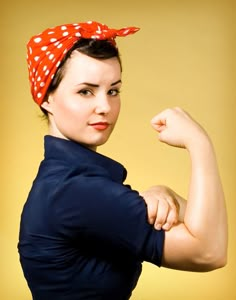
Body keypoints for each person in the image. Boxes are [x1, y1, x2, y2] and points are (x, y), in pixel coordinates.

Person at [18, 21, 228, 300]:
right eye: (85, 91)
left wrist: (166, 194)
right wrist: (200, 143)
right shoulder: (75, 191)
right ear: (46, 98)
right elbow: (209, 251)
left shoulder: (67, 183)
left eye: (113, 90)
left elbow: (206, 226)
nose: (105, 106)